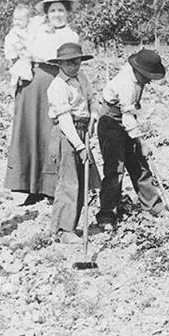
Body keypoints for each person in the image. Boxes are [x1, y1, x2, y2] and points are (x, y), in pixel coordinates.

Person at [4, 0, 81, 206]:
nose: (57, 14)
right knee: (30, 132)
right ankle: (31, 186)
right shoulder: (38, 29)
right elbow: (18, 40)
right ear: (47, 13)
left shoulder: (70, 35)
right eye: (53, 10)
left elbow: (70, 64)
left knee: (52, 134)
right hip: (32, 85)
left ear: (67, 13)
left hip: (56, 82)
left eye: (61, 10)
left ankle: (50, 188)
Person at [96, 49, 167, 228]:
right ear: (138, 71)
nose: (150, 80)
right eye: (147, 76)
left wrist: (137, 143)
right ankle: (106, 215)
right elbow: (126, 117)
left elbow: (130, 116)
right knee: (115, 169)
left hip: (126, 118)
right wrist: (141, 142)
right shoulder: (126, 84)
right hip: (111, 122)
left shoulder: (136, 76)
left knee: (138, 163)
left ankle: (153, 206)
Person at [46, 43, 101, 242]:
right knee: (69, 182)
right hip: (67, 133)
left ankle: (73, 225)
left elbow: (92, 99)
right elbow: (65, 120)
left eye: (77, 61)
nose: (74, 66)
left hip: (83, 127)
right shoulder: (58, 86)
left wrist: (94, 116)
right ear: (60, 64)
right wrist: (79, 146)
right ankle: (63, 229)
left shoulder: (82, 78)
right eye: (69, 62)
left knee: (82, 180)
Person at [3, 4, 33, 90]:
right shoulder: (15, 31)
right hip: (17, 52)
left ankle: (22, 79)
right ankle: (16, 81)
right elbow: (12, 42)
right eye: (15, 19)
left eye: (20, 20)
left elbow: (31, 40)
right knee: (19, 66)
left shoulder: (29, 30)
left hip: (27, 53)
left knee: (25, 66)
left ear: (27, 21)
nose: (17, 22)